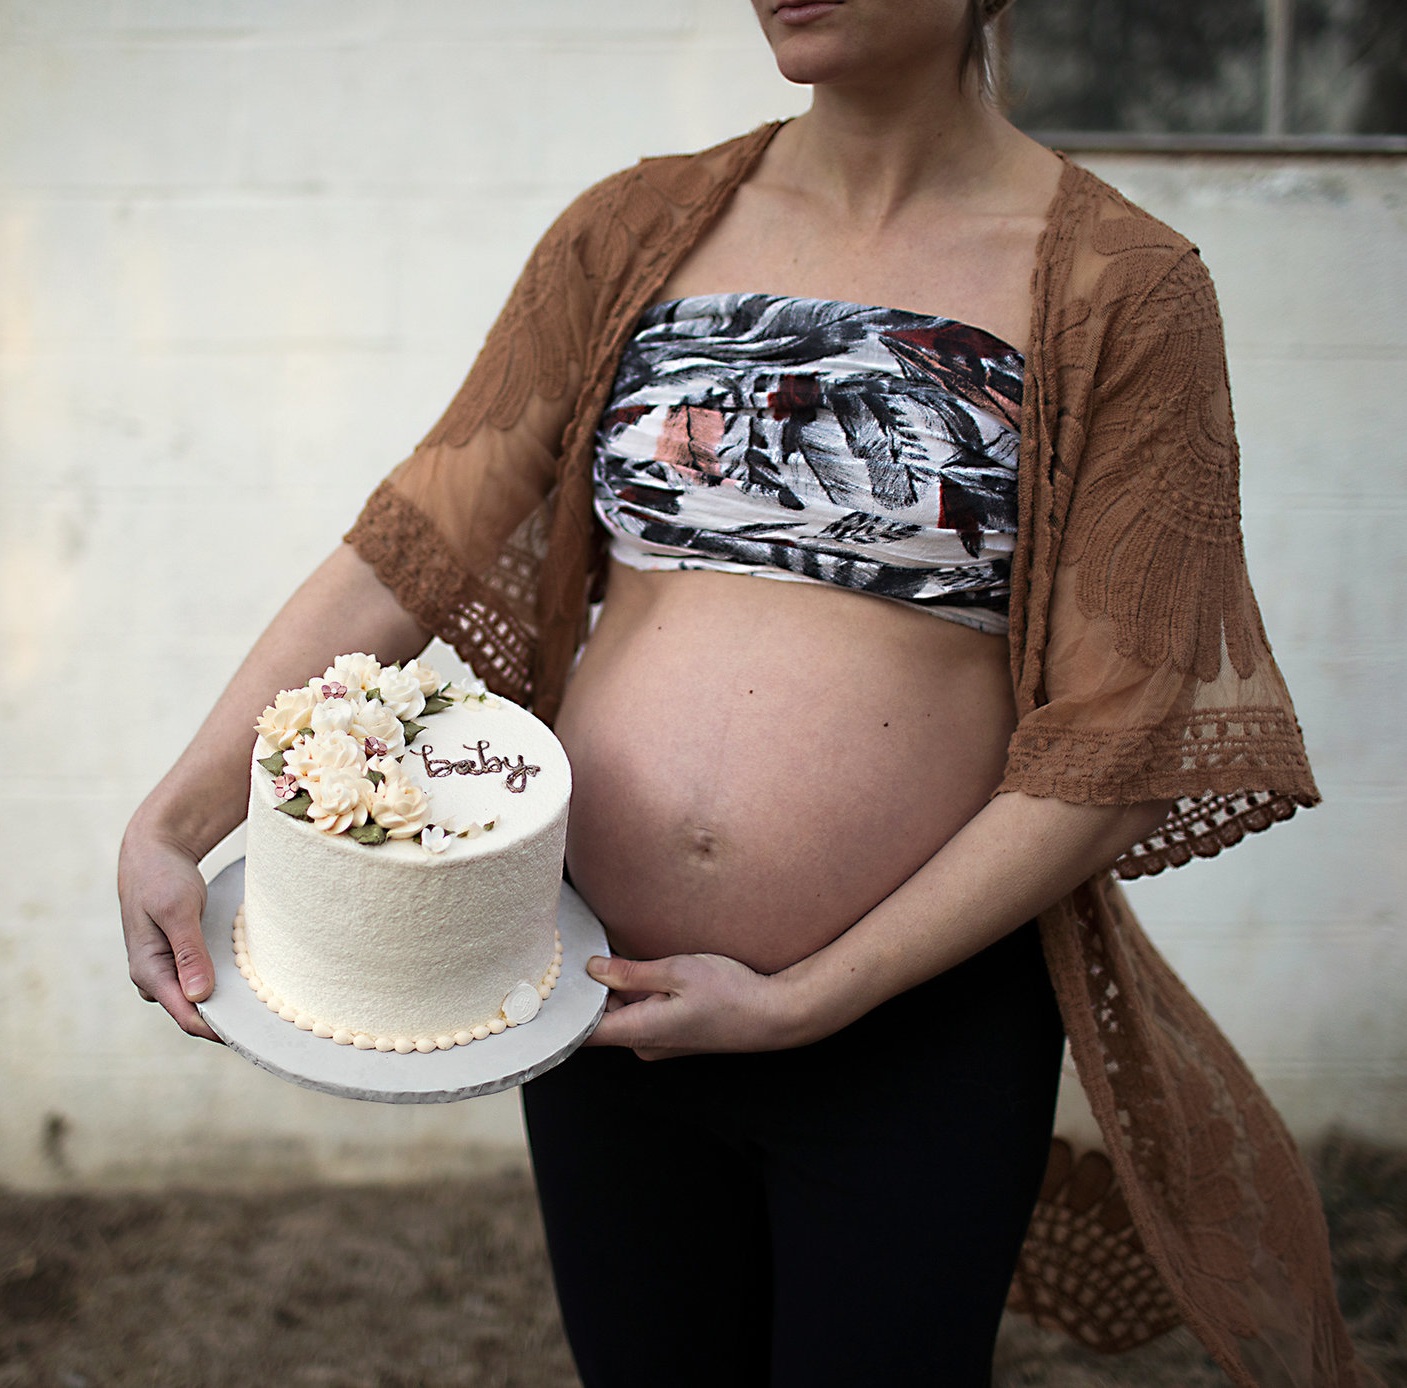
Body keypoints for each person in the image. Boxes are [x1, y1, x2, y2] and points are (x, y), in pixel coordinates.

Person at [119, 2, 1373, 1384]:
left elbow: (1118, 735)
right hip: (600, 997)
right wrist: (178, 818)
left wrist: (810, 999)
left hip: (915, 1033)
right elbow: (412, 544)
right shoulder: (636, 228)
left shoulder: (1120, 286)